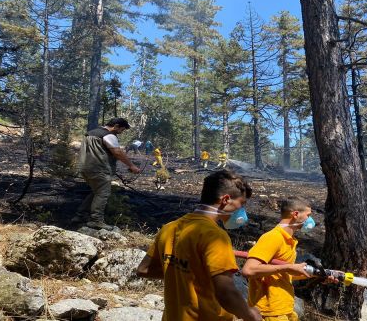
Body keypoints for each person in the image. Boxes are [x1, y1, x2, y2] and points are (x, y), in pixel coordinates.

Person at [136, 170, 262, 321]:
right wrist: (250, 314)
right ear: (226, 199)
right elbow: (225, 293)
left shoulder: (169, 228)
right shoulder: (215, 236)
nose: (241, 211)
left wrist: (184, 274)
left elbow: (144, 269)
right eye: (241, 204)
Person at [241, 196, 320, 321]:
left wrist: (317, 275)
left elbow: (282, 274)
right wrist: (288, 267)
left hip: (285, 310)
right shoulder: (273, 237)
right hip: (269, 313)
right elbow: (248, 270)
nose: (310, 220)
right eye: (308, 215)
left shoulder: (289, 240)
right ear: (295, 214)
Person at [75, 118, 140, 230]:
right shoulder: (109, 135)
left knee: (96, 192)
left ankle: (79, 216)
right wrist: (132, 166)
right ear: (116, 126)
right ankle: (96, 221)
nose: (121, 132)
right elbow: (117, 152)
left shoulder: (90, 133)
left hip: (85, 168)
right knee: (102, 194)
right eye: (121, 130)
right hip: (99, 169)